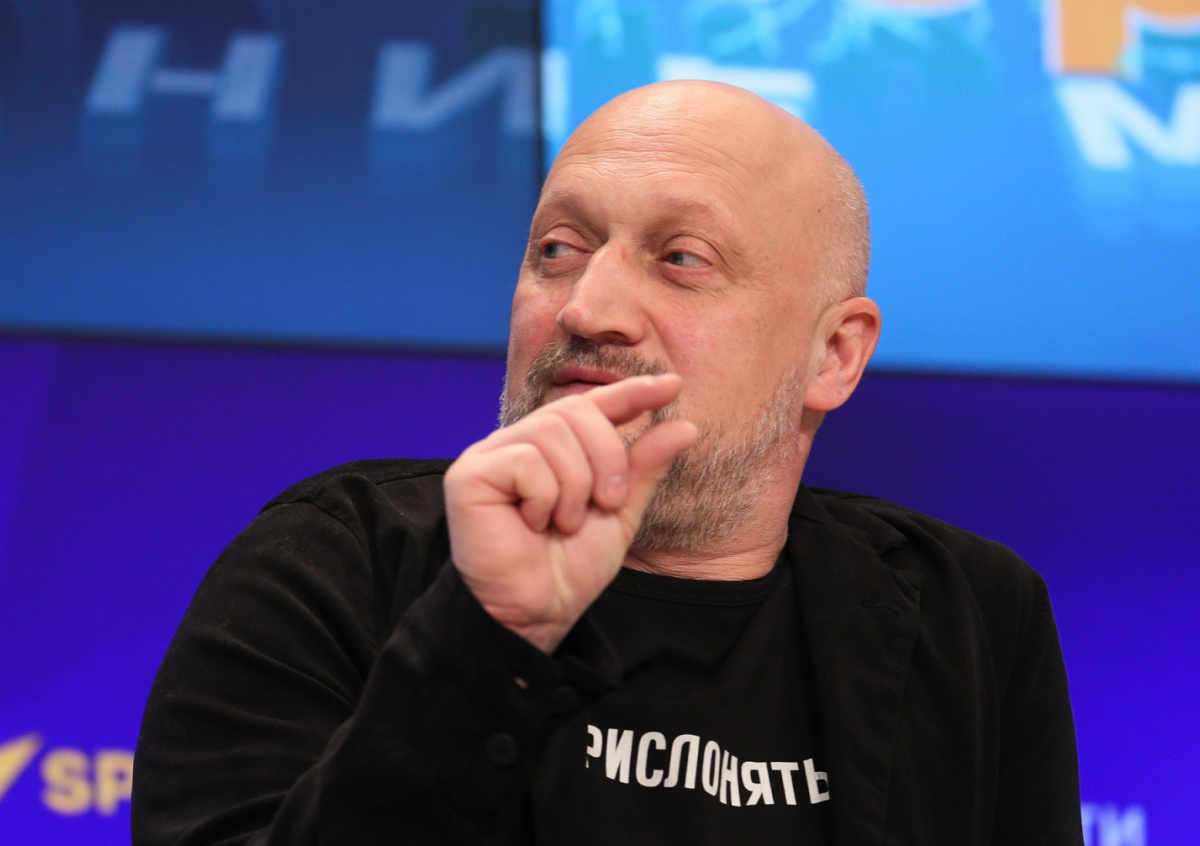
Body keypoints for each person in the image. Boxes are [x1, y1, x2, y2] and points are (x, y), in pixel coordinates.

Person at [132, 81, 1083, 845]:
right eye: (558, 248)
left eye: (681, 259)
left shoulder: (967, 613)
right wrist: (483, 639)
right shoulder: (334, 558)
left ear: (833, 356)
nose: (587, 307)